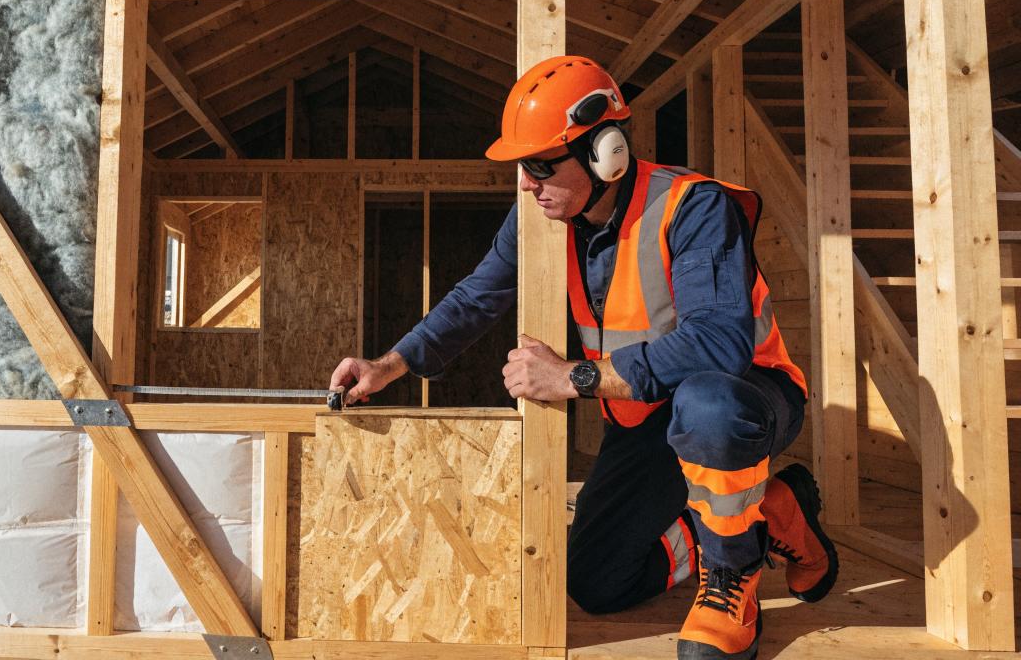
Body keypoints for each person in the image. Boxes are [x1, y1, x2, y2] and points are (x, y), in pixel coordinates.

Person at [329, 56, 838, 660]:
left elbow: (719, 344)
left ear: (607, 152)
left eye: (541, 165)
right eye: (522, 166)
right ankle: (764, 513)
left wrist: (573, 376)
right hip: (644, 416)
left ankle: (732, 582)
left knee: (705, 403)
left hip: (746, 402)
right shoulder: (541, 219)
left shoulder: (693, 208)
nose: (526, 181)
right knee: (597, 582)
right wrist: (391, 364)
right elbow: (477, 295)